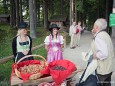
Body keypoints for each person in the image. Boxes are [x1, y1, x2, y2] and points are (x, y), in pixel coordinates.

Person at [91, 18, 114, 86]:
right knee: (107, 83)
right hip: (109, 67)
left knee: (100, 84)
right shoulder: (106, 34)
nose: (93, 27)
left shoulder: (99, 37)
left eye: (94, 26)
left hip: (103, 68)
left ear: (97, 27)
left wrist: (95, 56)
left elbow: (104, 54)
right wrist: (94, 34)